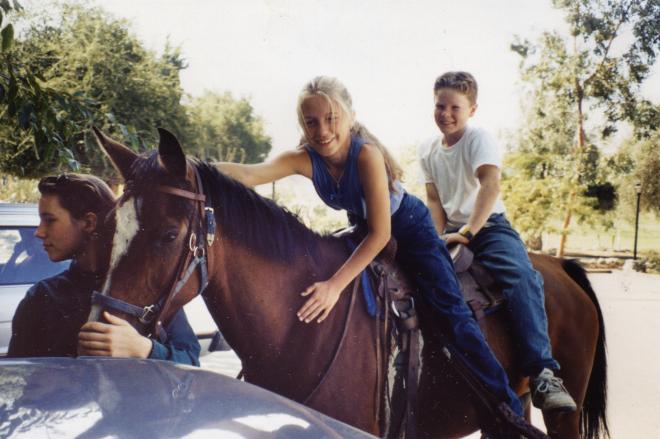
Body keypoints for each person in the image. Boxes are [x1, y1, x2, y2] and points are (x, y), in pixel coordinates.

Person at [216, 76, 527, 418]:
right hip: (363, 225)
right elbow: (250, 174)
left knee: (451, 312)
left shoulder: (366, 155)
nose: (323, 130)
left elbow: (381, 235)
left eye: (332, 119)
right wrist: (196, 170)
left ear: (350, 116)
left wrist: (334, 286)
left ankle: (507, 409)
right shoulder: (305, 158)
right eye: (312, 122)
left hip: (409, 227)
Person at [418, 71, 576, 412]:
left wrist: (470, 232)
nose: (445, 113)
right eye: (439, 106)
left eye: (454, 107)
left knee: (520, 276)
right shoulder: (428, 149)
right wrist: (435, 238)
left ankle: (542, 372)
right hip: (451, 232)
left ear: (472, 110)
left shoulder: (478, 140)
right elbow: (434, 201)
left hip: (487, 227)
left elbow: (489, 186)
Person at [8, 173, 201, 365]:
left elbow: (191, 363)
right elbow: (20, 377)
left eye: (49, 220)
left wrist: (144, 349)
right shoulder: (41, 297)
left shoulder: (147, 287)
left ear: (89, 223)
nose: (39, 232)